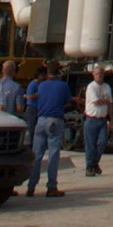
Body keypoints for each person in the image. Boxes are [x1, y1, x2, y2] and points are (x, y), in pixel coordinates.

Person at [26, 64, 73, 198]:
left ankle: (31, 187)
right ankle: (51, 187)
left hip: (40, 121)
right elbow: (67, 102)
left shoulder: (41, 86)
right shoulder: (63, 85)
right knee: (53, 155)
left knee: (37, 155)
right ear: (58, 72)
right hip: (54, 120)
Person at [83, 63, 113, 177]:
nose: (99, 76)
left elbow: (111, 104)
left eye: (101, 74)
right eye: (97, 74)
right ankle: (89, 167)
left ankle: (95, 163)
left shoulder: (107, 87)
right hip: (91, 119)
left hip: (102, 120)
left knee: (102, 142)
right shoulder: (91, 87)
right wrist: (105, 101)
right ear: (93, 75)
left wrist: (112, 120)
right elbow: (96, 101)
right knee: (90, 144)